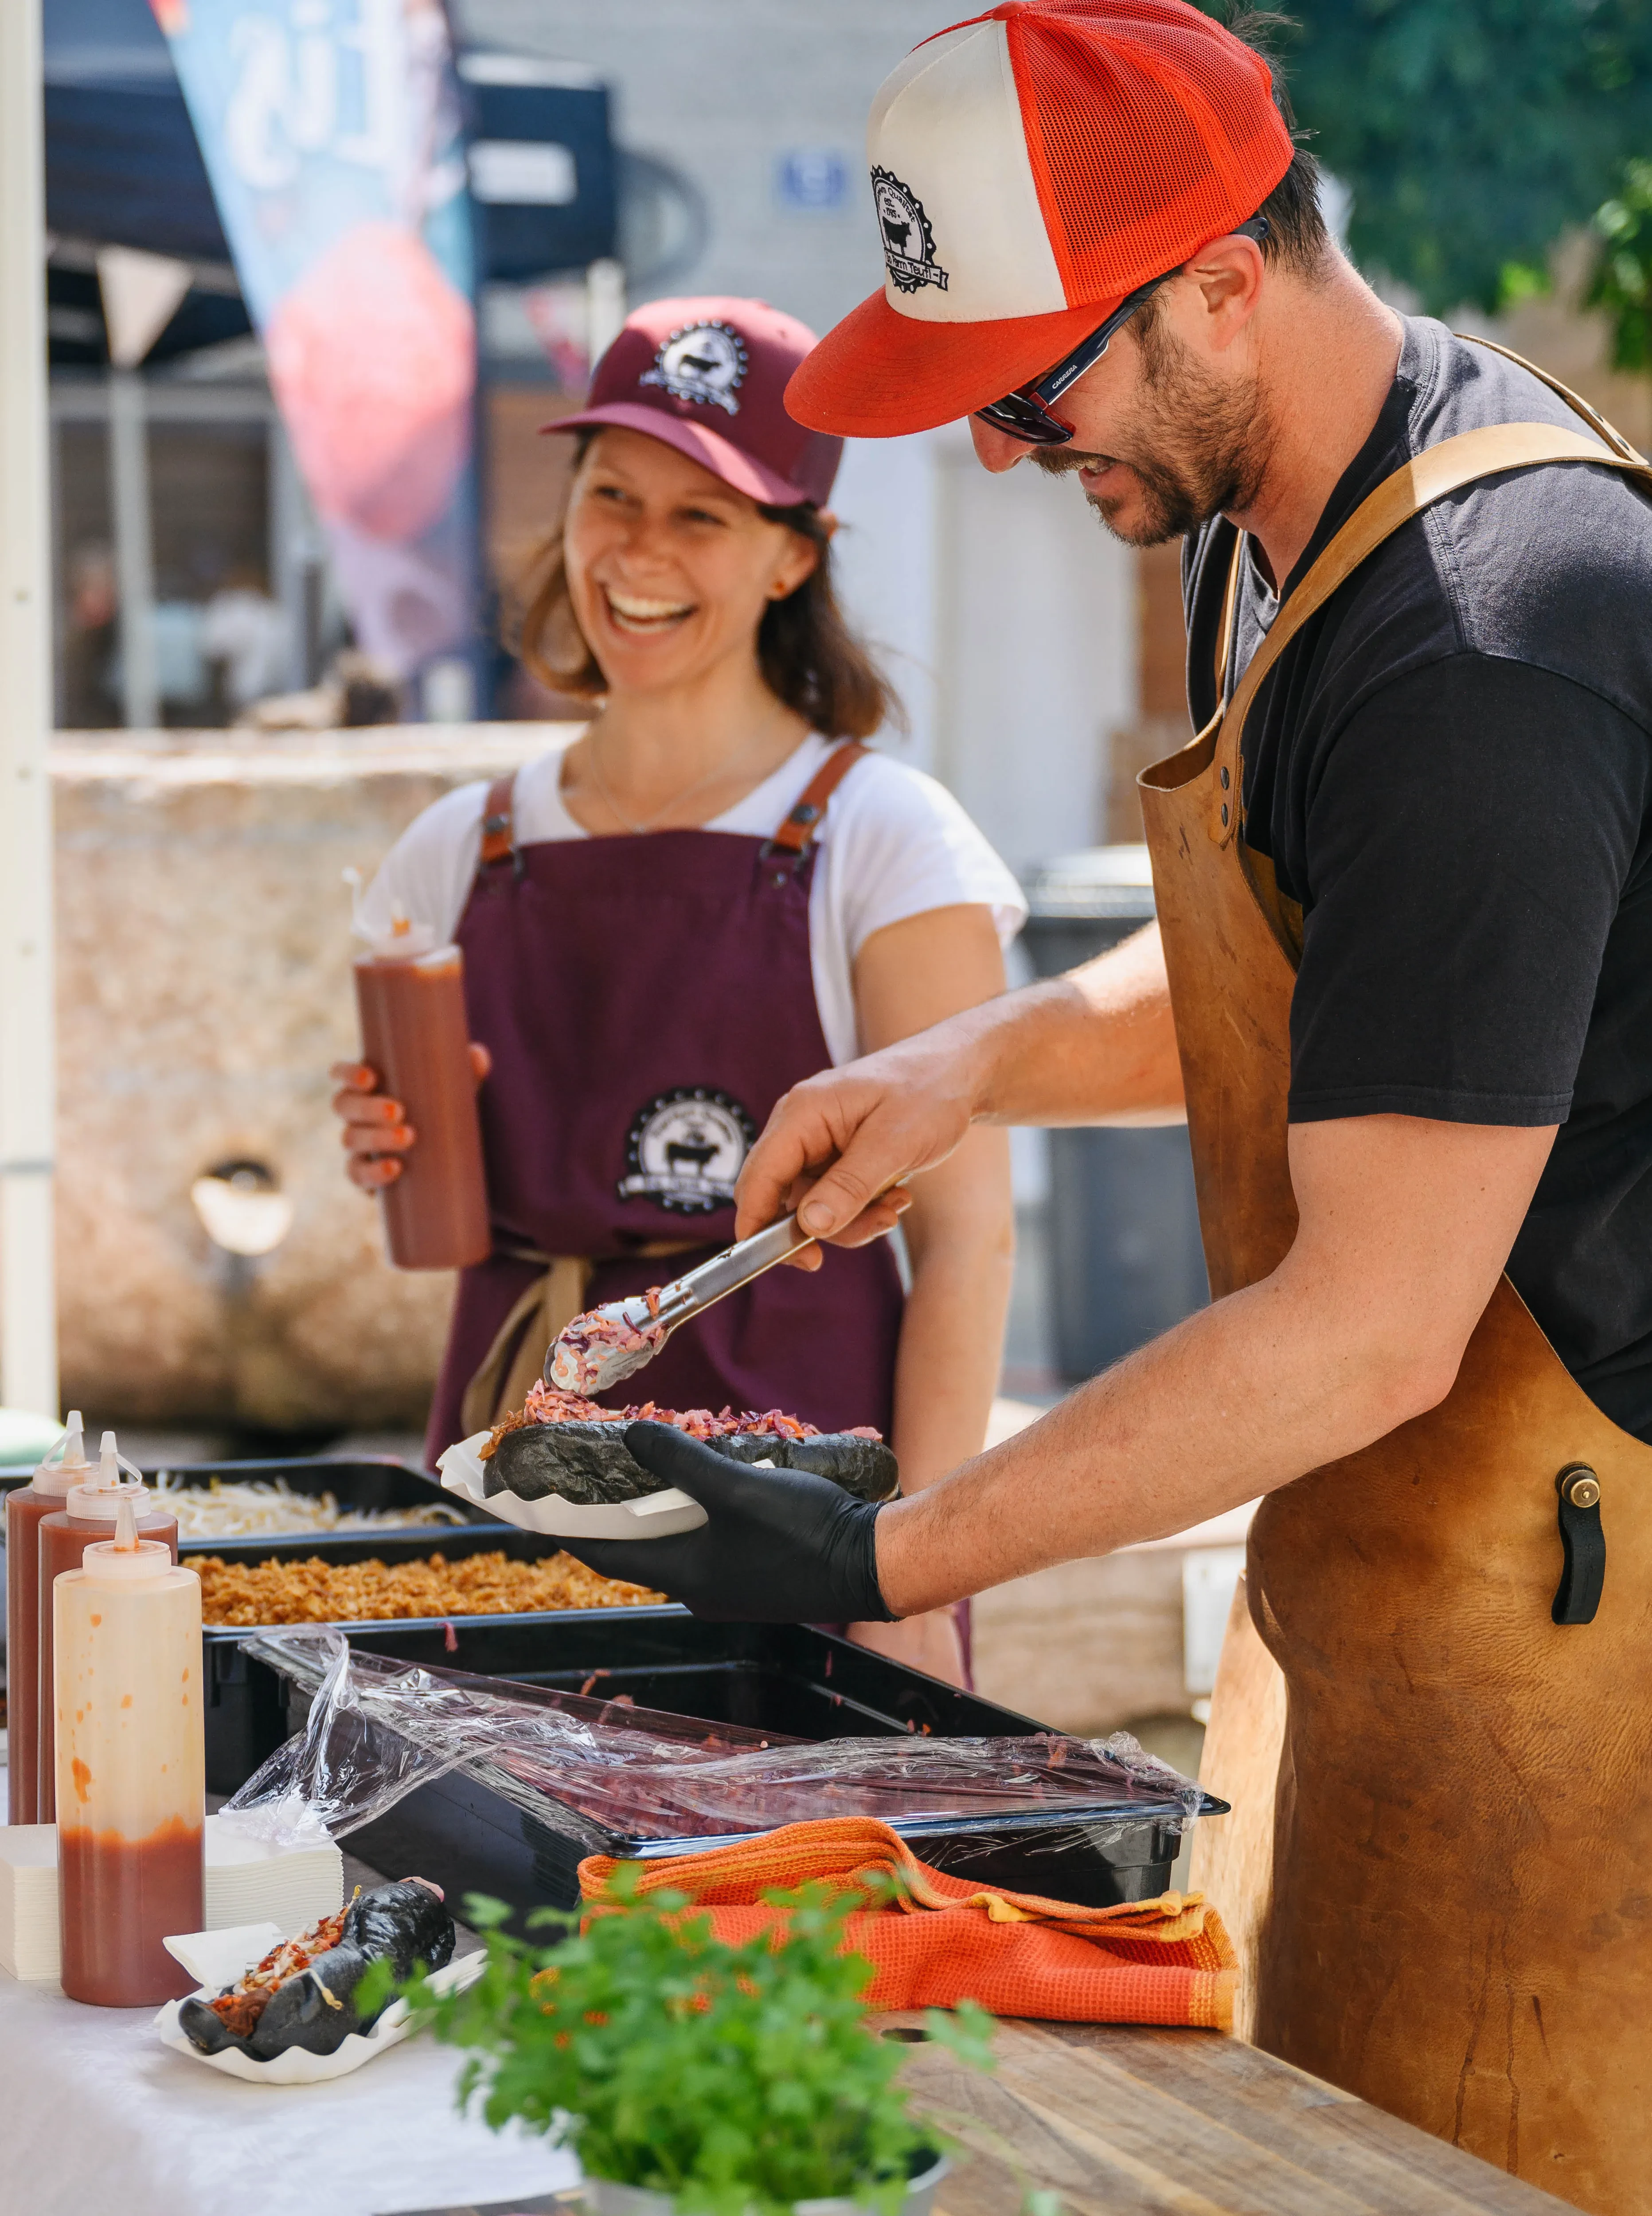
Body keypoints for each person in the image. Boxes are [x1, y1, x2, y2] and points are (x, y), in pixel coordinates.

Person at [555, 8, 1652, 2208]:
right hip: (1386, 1583)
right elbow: (1342, 982)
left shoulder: (1489, 637)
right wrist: (958, 1070)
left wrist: (884, 1547)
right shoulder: (1280, 509)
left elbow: (1367, 1327)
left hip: (1574, 1627)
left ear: (1223, 281)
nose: (992, 449)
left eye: (1033, 386)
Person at [332, 296, 1023, 1686]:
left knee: (783, 1898)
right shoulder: (457, 847)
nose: (639, 553)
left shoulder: (884, 838)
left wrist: (919, 1581)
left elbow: (964, 1247)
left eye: (702, 516)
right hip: (508, 1483)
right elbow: (440, 1205)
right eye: (613, 497)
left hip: (798, 1519)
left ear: (790, 558)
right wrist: (391, 1151)